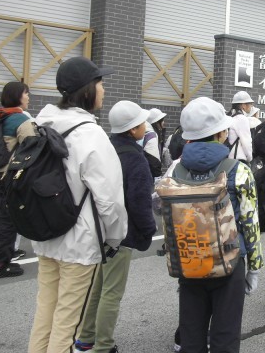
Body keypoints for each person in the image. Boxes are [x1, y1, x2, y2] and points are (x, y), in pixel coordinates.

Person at [28, 57, 127, 353]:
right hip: (79, 244)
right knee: (67, 324)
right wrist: (114, 238)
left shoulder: (39, 124)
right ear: (87, 90)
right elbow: (109, 199)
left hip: (45, 235)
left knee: (45, 315)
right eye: (100, 83)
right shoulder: (90, 134)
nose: (104, 89)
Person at [166, 97, 263, 352]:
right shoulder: (238, 170)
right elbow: (250, 223)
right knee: (225, 337)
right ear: (220, 134)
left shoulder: (175, 170)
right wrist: (254, 267)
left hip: (190, 261)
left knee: (191, 337)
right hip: (229, 263)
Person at [75, 101, 157, 353]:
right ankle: (103, 346)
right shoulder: (136, 159)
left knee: (97, 287)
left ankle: (86, 338)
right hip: (121, 232)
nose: (145, 126)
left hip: (97, 228)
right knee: (111, 292)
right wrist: (148, 230)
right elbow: (140, 202)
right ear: (132, 129)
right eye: (141, 123)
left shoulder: (106, 149)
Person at [0, 81, 34, 278]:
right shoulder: (20, 119)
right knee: (8, 220)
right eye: (26, 93)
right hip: (10, 176)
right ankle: (1, 264)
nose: (28, 97)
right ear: (17, 96)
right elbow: (32, 146)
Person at [228, 91, 255, 164]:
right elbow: (246, 142)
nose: (251, 106)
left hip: (228, 159)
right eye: (250, 104)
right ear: (243, 105)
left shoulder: (230, 116)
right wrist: (249, 158)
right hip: (238, 160)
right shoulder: (241, 118)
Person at [143, 108, 167, 178]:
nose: (163, 122)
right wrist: (158, 176)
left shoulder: (145, 133)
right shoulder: (152, 135)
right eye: (162, 120)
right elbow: (154, 160)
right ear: (156, 122)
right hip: (150, 175)